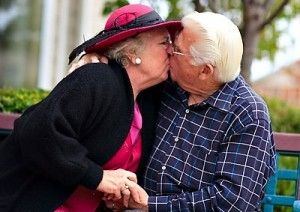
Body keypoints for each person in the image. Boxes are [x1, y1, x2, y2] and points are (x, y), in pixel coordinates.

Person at [78, 11, 276, 211]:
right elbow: (132, 61)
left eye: (178, 50)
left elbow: (232, 202)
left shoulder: (248, 113)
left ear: (205, 70)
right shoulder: (167, 84)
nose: (169, 51)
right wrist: (101, 58)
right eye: (171, 42)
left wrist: (150, 205)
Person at [0, 4, 182, 212]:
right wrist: (99, 177)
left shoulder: (147, 98)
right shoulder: (97, 78)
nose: (172, 49)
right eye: (164, 42)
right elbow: (38, 133)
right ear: (132, 53)